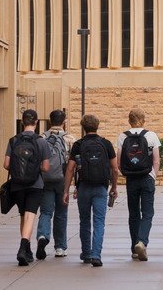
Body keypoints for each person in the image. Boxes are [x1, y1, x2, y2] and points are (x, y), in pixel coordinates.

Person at [63, 114, 119, 267]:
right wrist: (113, 187)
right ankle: (96, 255)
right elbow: (115, 169)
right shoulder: (106, 144)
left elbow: (70, 169)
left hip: (84, 187)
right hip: (101, 187)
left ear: (83, 127)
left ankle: (86, 253)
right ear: (97, 125)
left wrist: (66, 191)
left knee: (85, 221)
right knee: (99, 221)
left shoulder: (78, 145)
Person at [3, 109, 51, 266]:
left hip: (17, 185)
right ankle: (23, 249)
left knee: (23, 216)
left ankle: (28, 250)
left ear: (22, 122)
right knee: (30, 216)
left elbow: (6, 165)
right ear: (36, 122)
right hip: (35, 184)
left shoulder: (13, 140)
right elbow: (45, 168)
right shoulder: (41, 141)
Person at [116, 108, 161, 261]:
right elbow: (156, 160)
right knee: (148, 213)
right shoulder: (151, 136)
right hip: (147, 177)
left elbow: (119, 162)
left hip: (131, 180)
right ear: (144, 120)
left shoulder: (123, 137)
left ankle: (135, 248)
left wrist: (127, 173)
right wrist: (153, 176)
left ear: (129, 121)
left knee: (134, 214)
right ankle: (142, 242)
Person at [35, 109, 76, 259]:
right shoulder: (70, 139)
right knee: (61, 213)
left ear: (50, 121)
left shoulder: (41, 138)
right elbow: (74, 164)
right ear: (64, 122)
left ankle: (42, 236)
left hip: (45, 179)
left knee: (45, 211)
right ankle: (60, 247)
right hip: (62, 180)